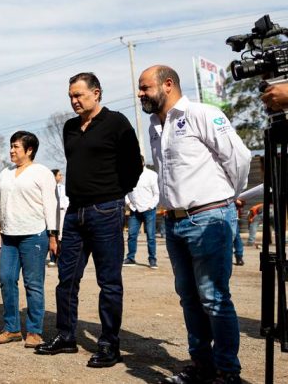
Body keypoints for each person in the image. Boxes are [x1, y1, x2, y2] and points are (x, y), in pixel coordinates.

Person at [139, 65, 250, 384]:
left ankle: (227, 371)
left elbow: (239, 158)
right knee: (189, 297)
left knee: (213, 297)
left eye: (145, 88)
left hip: (209, 217)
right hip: (174, 224)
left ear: (168, 84)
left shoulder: (203, 113)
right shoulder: (154, 126)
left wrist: (230, 196)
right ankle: (202, 367)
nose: (140, 94)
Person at [35, 73, 142, 369]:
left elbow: (134, 165)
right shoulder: (70, 127)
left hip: (106, 210)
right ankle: (66, 336)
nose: (74, 100)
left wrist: (115, 193)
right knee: (66, 278)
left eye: (79, 95)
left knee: (108, 281)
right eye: (71, 96)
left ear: (96, 93)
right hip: (74, 213)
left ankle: (109, 344)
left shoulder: (116, 123)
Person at [0, 131, 58, 348]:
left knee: (33, 284)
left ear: (29, 150)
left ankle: (34, 332)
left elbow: (51, 204)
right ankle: (11, 328)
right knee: (6, 279)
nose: (11, 150)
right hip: (8, 236)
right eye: (11, 146)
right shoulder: (5, 174)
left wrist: (53, 235)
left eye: (16, 147)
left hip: (34, 235)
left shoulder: (42, 172)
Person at [123, 157, 160, 269]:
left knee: (151, 236)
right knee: (131, 235)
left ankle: (152, 260)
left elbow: (157, 194)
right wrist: (129, 204)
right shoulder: (128, 175)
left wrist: (150, 206)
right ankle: (130, 258)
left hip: (149, 210)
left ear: (143, 162)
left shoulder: (151, 175)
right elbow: (125, 191)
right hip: (134, 210)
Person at [50, 169, 68, 267]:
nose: (61, 177)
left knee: (61, 235)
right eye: (59, 175)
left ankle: (60, 257)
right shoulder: (49, 187)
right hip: (52, 212)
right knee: (53, 234)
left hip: (63, 212)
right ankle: (53, 258)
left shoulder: (64, 188)